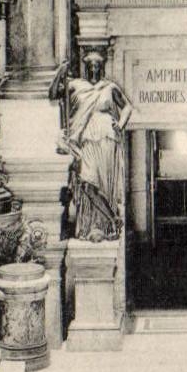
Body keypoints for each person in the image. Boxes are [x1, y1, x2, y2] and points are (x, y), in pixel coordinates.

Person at [49, 52, 133, 241]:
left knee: (104, 182)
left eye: (97, 66)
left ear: (101, 67)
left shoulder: (110, 87)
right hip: (85, 137)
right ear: (86, 68)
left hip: (107, 138)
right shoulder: (76, 85)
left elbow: (127, 107)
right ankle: (109, 219)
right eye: (90, 66)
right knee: (87, 182)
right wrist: (59, 73)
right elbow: (54, 93)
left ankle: (103, 226)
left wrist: (120, 125)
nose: (94, 69)